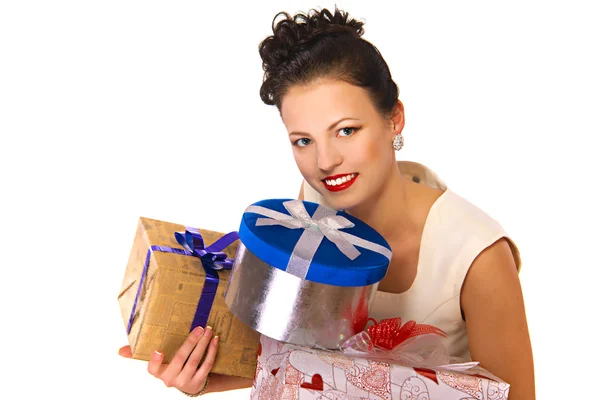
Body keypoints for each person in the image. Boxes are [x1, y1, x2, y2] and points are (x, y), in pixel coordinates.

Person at [120, 7, 535, 399]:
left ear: (394, 119)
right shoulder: (313, 212)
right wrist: (203, 376)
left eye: (346, 131)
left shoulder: (477, 257)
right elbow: (307, 362)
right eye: (304, 140)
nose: (324, 162)